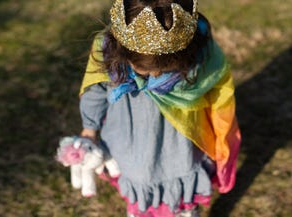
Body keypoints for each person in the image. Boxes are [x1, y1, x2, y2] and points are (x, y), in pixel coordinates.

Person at [78, 0, 241, 216]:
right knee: (141, 203)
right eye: (145, 72)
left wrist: (219, 137)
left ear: (185, 53)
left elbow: (217, 93)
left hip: (179, 151)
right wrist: (89, 129)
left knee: (184, 206)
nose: (154, 77)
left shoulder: (201, 52)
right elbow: (95, 90)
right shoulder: (108, 50)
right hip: (134, 149)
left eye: (165, 71)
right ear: (122, 51)